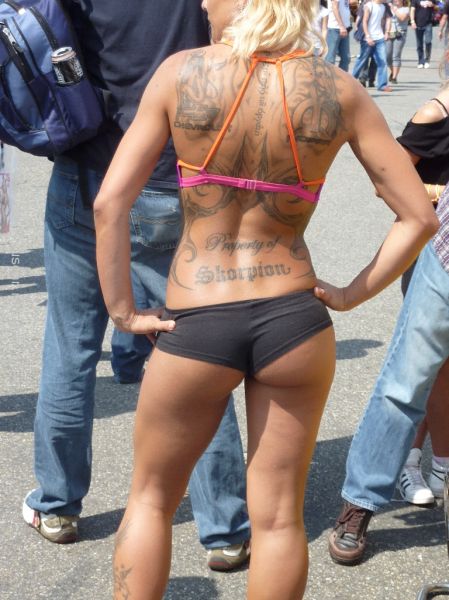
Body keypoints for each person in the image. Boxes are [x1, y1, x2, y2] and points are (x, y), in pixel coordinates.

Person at [93, 0, 438, 596]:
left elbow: (109, 204)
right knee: (279, 518)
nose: (203, 3)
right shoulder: (339, 89)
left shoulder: (181, 72)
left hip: (198, 313)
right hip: (294, 317)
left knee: (150, 500)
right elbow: (420, 217)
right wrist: (351, 294)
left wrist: (122, 310)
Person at [21, 0, 251, 571]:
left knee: (71, 346)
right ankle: (224, 529)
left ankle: (58, 505)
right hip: (178, 169)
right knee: (199, 349)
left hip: (92, 163)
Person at [329, 80, 449, 565]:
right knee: (406, 382)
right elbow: (392, 177)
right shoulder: (437, 112)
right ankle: (360, 501)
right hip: (445, 258)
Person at [352, 0, 393, 92]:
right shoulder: (369, 6)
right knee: (362, 60)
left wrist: (387, 32)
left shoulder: (384, 6)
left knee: (382, 61)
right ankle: (351, 80)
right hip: (368, 39)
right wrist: (367, 36)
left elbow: (388, 18)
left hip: (379, 37)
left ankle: (382, 85)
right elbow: (364, 21)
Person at [386, 0, 410, 83]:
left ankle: (394, 77)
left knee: (396, 56)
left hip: (400, 34)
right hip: (389, 33)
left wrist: (394, 9)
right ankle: (393, 71)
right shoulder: (388, 8)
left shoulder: (406, 9)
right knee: (387, 56)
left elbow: (402, 18)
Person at [325, 0, 352, 71]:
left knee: (346, 58)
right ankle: (328, 77)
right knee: (330, 59)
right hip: (335, 28)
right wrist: (341, 26)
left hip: (345, 28)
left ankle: (342, 77)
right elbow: (335, 8)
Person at [410, 0, 436, 68]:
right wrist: (412, 21)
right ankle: (420, 61)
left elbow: (437, 5)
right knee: (419, 44)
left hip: (428, 23)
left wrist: (432, 4)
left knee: (428, 41)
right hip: (418, 23)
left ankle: (427, 60)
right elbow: (412, 10)